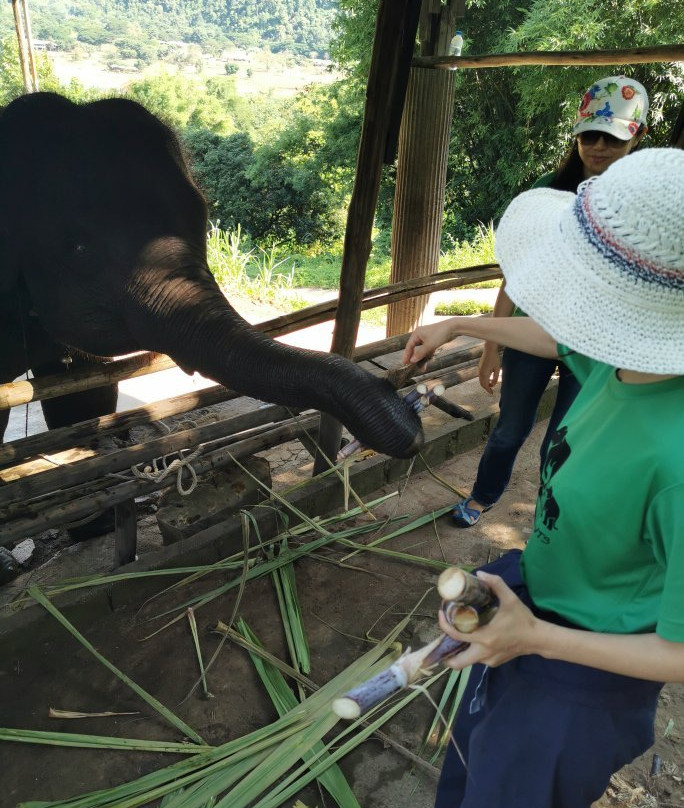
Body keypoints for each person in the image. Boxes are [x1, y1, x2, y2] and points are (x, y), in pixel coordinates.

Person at [402, 146, 684, 808]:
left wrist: (535, 638)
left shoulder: (676, 459)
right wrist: (462, 323)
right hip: (541, 603)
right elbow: (561, 337)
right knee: (472, 766)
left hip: (585, 672)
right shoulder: (625, 358)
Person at [452, 75, 649, 528]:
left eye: (611, 138)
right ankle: (484, 496)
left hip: (590, 343)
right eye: (589, 136)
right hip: (530, 331)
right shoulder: (547, 190)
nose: (597, 147)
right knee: (510, 428)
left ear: (634, 137)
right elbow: (515, 275)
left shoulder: (639, 202)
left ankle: (546, 517)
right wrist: (490, 347)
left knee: (563, 439)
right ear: (577, 135)